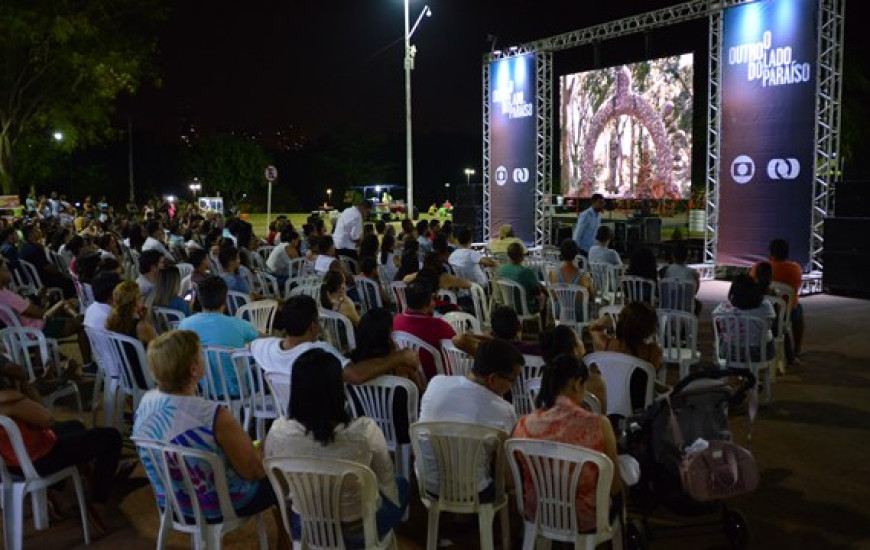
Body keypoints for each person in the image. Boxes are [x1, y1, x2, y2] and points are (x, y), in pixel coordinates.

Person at [132, 331, 288, 549]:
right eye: (200, 355)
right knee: (282, 474)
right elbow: (253, 472)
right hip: (218, 505)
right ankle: (287, 541)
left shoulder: (144, 404)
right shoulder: (213, 416)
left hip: (173, 501)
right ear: (194, 369)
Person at [265, 349, 409, 545]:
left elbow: (282, 487)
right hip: (359, 531)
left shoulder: (278, 431)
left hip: (305, 528)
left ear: (296, 389)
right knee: (402, 485)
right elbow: (386, 482)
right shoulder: (365, 432)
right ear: (338, 388)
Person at [0, 371, 123, 534]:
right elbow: (47, 419)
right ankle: (98, 501)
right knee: (111, 437)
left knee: (75, 426)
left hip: (10, 465)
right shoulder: (10, 400)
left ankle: (57, 490)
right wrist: (26, 390)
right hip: (39, 460)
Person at [250, 295, 421, 412]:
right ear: (312, 326)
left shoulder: (265, 347)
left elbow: (248, 344)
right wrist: (399, 357)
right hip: (324, 421)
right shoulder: (318, 351)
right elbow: (355, 375)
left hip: (288, 419)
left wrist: (268, 337)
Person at [512, 354, 622, 533]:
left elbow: (511, 478)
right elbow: (614, 484)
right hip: (586, 517)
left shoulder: (523, 424)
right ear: (577, 384)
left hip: (538, 512)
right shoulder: (598, 424)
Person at [418, 339, 523, 498]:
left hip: (429, 485)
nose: (512, 387)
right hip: (474, 493)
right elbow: (505, 471)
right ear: (492, 379)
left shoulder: (436, 383)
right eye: (512, 381)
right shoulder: (504, 410)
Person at [0, 259, 92, 364]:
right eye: (5, 270)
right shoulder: (8, 296)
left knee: (64, 307)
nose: (9, 273)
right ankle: (88, 364)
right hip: (38, 329)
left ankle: (76, 316)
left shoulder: (4, 294)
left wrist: (41, 300)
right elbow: (41, 314)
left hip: (23, 331)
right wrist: (48, 304)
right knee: (81, 325)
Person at [589, 301, 663, 411]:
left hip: (610, 403)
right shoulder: (653, 352)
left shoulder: (605, 344)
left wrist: (602, 322)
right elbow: (648, 380)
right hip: (640, 406)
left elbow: (593, 329)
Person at [750, 238, 804, 359]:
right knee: (799, 311)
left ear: (770, 252)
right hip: (787, 311)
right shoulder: (795, 269)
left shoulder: (758, 267)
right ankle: (797, 349)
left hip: (760, 309)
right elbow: (796, 287)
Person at [539, 325, 608, 415]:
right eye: (579, 338)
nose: (581, 341)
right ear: (574, 349)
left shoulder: (545, 380)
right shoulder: (594, 382)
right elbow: (601, 415)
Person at [712, 274, 776, 360]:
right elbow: (770, 324)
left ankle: (722, 367)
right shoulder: (765, 306)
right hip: (760, 353)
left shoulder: (723, 308)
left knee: (720, 336)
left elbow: (715, 321)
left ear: (733, 291)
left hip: (731, 353)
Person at [18, 225, 76, 298]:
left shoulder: (24, 248)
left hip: (34, 280)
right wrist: (60, 272)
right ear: (31, 234)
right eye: (36, 230)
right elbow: (47, 267)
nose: (39, 231)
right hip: (44, 280)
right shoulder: (34, 250)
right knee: (69, 282)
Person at [496, 242, 546, 315]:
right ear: (522, 256)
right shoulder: (527, 272)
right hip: (524, 309)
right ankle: (542, 325)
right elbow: (537, 291)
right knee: (543, 297)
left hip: (506, 307)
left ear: (508, 255)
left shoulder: (500, 270)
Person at [106, 281, 158, 347]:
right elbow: (158, 345)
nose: (143, 299)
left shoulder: (111, 320)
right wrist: (146, 322)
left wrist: (143, 318)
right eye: (141, 296)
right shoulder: (141, 327)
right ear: (134, 302)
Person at [659, 240, 701, 315]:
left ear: (673, 256)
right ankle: (690, 324)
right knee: (698, 304)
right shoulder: (693, 273)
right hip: (686, 308)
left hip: (668, 305)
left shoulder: (665, 270)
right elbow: (695, 292)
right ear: (687, 256)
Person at [548, 238, 596, 305]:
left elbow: (553, 296)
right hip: (579, 314)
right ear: (576, 253)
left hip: (559, 313)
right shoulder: (585, 277)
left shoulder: (552, 274)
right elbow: (592, 297)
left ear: (561, 253)